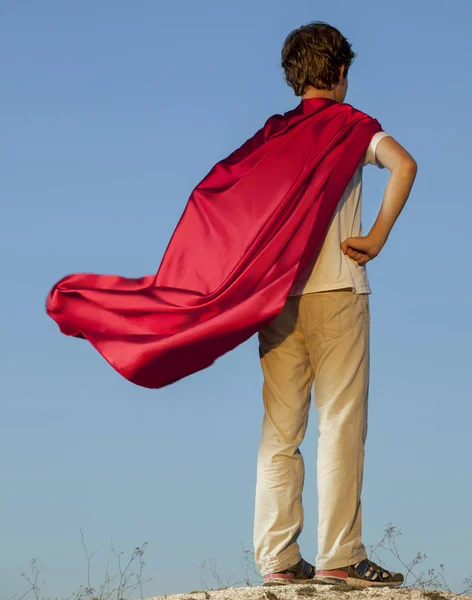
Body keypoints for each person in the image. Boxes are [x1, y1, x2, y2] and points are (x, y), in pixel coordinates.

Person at [254, 22, 417, 588]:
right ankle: (339, 557)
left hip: (276, 297)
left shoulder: (273, 134)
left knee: (280, 432)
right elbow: (405, 165)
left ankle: (278, 557)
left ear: (294, 78)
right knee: (340, 423)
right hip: (339, 290)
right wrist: (376, 237)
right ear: (341, 71)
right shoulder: (352, 125)